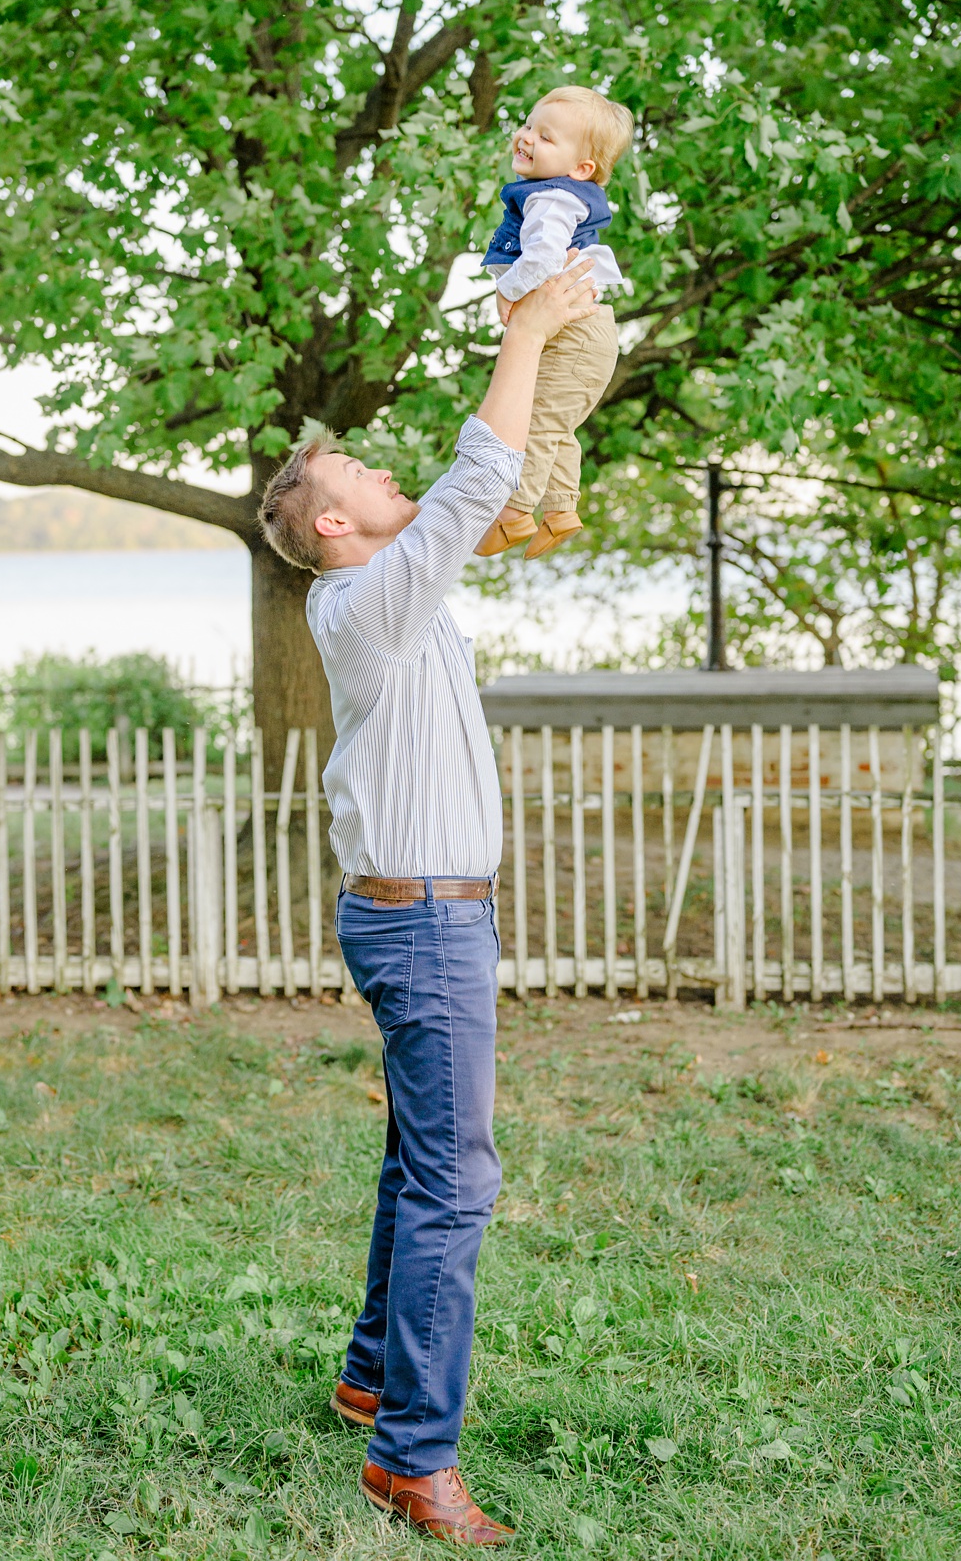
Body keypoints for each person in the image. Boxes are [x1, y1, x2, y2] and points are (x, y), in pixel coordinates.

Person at [255, 253, 602, 1548]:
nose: (389, 480)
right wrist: (524, 329)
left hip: (427, 911)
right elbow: (474, 479)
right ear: (333, 528)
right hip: (424, 921)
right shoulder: (364, 603)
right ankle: (413, 1461)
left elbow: (494, 491)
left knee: (419, 1160)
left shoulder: (399, 592)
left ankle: (368, 1378)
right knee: (457, 1183)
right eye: (364, 481)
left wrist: (553, 375)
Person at [474, 85, 633, 561]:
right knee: (555, 424)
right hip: (581, 332)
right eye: (528, 125)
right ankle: (561, 511)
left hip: (577, 335)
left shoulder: (552, 199)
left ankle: (515, 511)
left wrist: (508, 288)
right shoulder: (551, 193)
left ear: (581, 168)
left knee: (537, 424)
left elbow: (542, 258)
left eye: (546, 137)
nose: (526, 138)